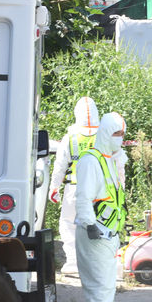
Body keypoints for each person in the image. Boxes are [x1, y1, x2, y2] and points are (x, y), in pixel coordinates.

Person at [74, 112, 134, 302]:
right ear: (105, 134)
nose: (119, 139)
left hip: (108, 234)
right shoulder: (91, 160)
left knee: (105, 284)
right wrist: (90, 225)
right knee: (100, 286)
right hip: (94, 233)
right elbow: (84, 198)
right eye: (116, 134)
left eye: (122, 134)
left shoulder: (110, 159)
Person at [49, 97, 100, 274]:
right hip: (99, 190)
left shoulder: (70, 137)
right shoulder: (104, 136)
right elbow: (116, 166)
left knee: (68, 224)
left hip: (75, 188)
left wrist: (54, 188)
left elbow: (60, 166)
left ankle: (73, 263)